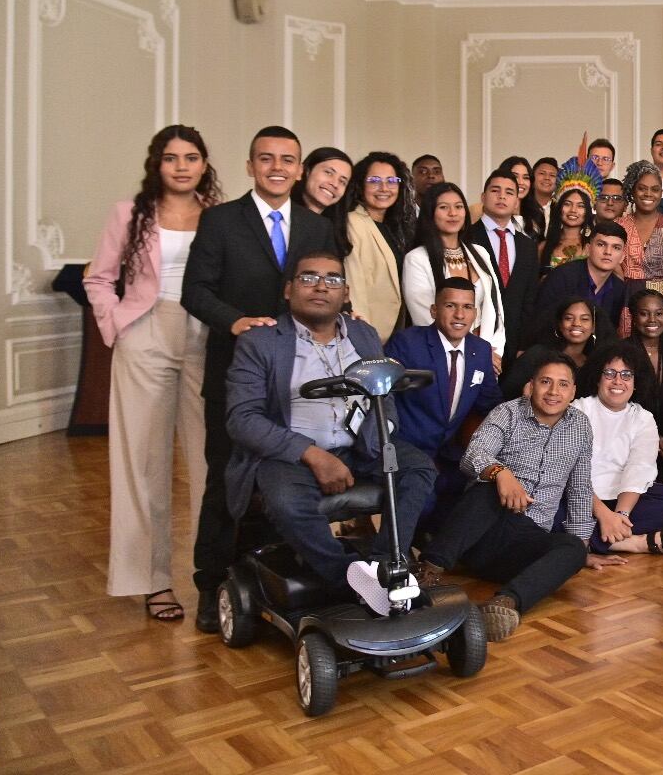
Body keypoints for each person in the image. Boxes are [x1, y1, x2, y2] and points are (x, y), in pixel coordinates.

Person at [182, 125, 338, 631]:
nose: (277, 167)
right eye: (266, 158)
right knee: (228, 479)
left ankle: (283, 577)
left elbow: (330, 290)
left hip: (301, 382)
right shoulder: (221, 221)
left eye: (287, 159)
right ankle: (213, 585)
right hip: (238, 374)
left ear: (299, 169)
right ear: (250, 166)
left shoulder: (317, 228)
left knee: (289, 477)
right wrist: (235, 321)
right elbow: (195, 291)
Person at [224, 252, 435, 618]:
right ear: (289, 289)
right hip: (290, 455)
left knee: (420, 469)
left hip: (360, 446)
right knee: (287, 502)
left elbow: (384, 394)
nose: (321, 286)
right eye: (309, 278)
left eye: (333, 280)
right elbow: (242, 419)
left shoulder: (364, 334)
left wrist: (382, 434)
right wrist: (314, 456)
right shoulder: (261, 342)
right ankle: (348, 580)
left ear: (346, 292)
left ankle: (382, 563)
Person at [85, 124, 220, 622]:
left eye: (191, 157)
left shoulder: (220, 217)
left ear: (204, 164)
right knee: (143, 462)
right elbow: (98, 277)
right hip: (145, 331)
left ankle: (214, 573)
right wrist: (117, 326)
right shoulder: (130, 214)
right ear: (156, 164)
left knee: (211, 459)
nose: (181, 166)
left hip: (206, 336)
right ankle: (153, 580)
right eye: (171, 157)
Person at [418, 353, 593, 640]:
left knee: (573, 548)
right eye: (545, 382)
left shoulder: (581, 426)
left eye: (563, 385)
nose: (553, 391)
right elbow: (473, 454)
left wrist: (582, 547)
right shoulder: (507, 413)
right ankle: (427, 571)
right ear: (531, 385)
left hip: (525, 542)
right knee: (486, 490)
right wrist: (501, 473)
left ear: (573, 391)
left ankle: (505, 604)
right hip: (483, 531)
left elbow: (580, 487)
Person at [386, 277, 503, 521]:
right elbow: (383, 401)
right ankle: (394, 555)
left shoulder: (481, 350)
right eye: (451, 306)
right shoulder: (407, 343)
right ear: (434, 310)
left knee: (474, 497)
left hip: (450, 453)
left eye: (467, 307)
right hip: (406, 448)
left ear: (475, 313)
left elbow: (489, 403)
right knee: (425, 500)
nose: (460, 314)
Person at [573, 342, 663, 556]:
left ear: (636, 383)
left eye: (626, 375)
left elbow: (639, 468)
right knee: (550, 504)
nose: (618, 381)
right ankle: (630, 543)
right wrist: (604, 515)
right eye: (610, 373)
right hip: (581, 497)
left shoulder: (643, 418)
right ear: (598, 378)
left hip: (621, 499)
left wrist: (620, 514)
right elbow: (571, 472)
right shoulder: (578, 410)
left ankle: (591, 540)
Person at [403, 182, 506, 360]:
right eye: (444, 207)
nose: (453, 213)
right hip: (441, 357)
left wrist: (493, 351)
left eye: (458, 207)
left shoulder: (480, 253)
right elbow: (425, 318)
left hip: (488, 355)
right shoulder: (417, 259)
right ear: (430, 214)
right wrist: (476, 352)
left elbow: (496, 309)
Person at [467, 168, 539, 354]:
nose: (501, 196)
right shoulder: (466, 238)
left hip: (515, 344)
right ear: (483, 197)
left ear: (516, 201)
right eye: (495, 190)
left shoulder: (528, 246)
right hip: (475, 338)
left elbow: (529, 301)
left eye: (509, 192)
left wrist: (524, 346)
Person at [343, 152, 412, 339]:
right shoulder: (353, 223)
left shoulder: (394, 227)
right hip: (367, 331)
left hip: (392, 332)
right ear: (361, 185)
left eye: (391, 180)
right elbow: (354, 285)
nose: (384, 188)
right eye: (374, 180)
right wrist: (363, 335)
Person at [535, 220, 643, 333]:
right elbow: (541, 323)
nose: (608, 252)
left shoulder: (619, 288)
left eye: (616, 247)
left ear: (622, 257)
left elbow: (608, 333)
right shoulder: (562, 277)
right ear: (587, 249)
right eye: (601, 244)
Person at [619, 161, 663, 311]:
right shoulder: (618, 227)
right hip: (625, 305)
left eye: (655, 189)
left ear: (661, 192)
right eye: (642, 188)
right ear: (633, 191)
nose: (648, 194)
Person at [624, 288, 663, 470]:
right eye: (644, 314)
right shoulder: (621, 353)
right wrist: (650, 434)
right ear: (632, 317)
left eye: (659, 313)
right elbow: (618, 405)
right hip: (633, 443)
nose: (652, 320)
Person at [541, 187, 595, 271]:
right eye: (567, 204)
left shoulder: (594, 246)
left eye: (580, 206)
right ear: (559, 208)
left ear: (587, 211)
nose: (573, 210)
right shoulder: (543, 247)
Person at [292, 147, 353, 218]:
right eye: (328, 172)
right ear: (307, 171)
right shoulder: (281, 213)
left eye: (342, 181)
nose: (335, 184)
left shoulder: (332, 226)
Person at [525, 156, 559, 239]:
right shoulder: (521, 206)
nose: (547, 178)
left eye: (552, 175)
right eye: (542, 173)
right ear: (532, 178)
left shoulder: (560, 210)